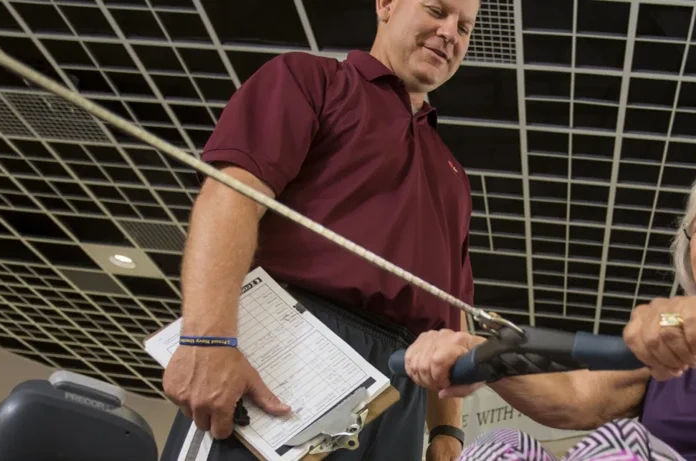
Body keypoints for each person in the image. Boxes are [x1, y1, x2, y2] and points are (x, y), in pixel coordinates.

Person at [161, 1, 481, 460]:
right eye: (436, 9)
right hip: (289, 349)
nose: (450, 32)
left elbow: (450, 314)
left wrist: (447, 434)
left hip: (403, 388)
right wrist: (207, 339)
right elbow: (228, 198)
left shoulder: (453, 176)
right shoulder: (310, 81)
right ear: (386, 4)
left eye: (464, 27)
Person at [404, 158, 696, 461]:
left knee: (625, 448)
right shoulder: (673, 348)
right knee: (501, 450)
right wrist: (482, 355)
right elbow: (576, 399)